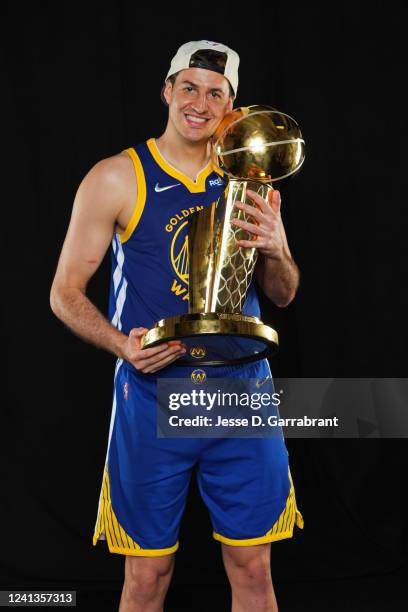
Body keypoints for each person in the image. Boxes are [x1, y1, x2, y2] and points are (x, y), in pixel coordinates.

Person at [50, 39, 304, 612]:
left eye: (216, 93)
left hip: (241, 395)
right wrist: (122, 346)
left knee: (254, 570)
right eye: (188, 87)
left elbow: (283, 295)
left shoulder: (253, 179)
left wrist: (278, 248)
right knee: (146, 579)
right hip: (153, 395)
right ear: (167, 90)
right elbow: (64, 292)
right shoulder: (117, 177)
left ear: (231, 106)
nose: (200, 103)